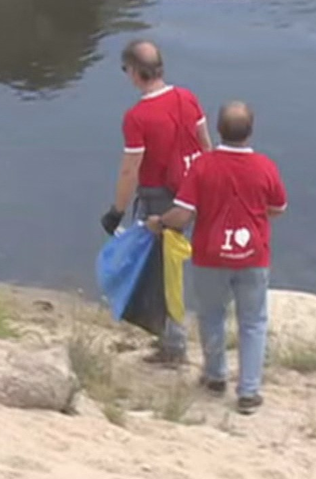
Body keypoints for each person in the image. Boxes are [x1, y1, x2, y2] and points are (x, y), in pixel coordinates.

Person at [146, 101, 287, 415]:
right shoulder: (265, 166)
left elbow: (183, 214)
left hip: (210, 256)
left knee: (211, 315)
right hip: (253, 257)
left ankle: (215, 377)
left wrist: (160, 222)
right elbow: (278, 208)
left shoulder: (203, 166)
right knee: (253, 322)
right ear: (250, 131)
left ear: (219, 130)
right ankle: (249, 391)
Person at [101, 39, 213, 365]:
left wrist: (117, 211)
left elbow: (130, 170)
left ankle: (174, 346)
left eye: (126, 69)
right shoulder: (188, 97)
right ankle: (173, 336)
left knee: (165, 272)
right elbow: (206, 145)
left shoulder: (137, 117)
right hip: (193, 192)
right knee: (176, 266)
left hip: (161, 201)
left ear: (135, 73)